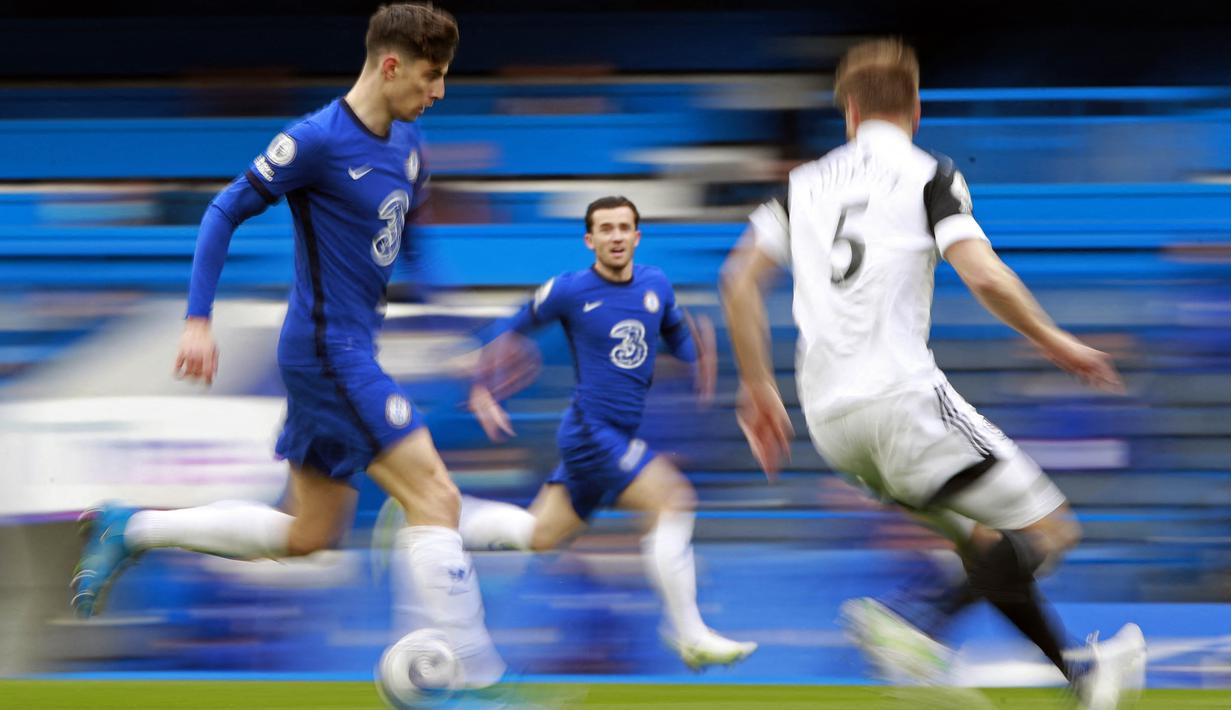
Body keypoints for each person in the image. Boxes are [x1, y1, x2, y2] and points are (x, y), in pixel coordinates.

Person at [71, 2, 507, 692]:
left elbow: (414, 249)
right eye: (432, 75)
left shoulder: (409, 145)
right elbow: (224, 210)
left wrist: (461, 334)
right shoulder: (316, 140)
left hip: (347, 353)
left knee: (309, 534)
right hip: (327, 354)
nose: (440, 91)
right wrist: (197, 319)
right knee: (436, 496)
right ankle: (475, 681)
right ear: (392, 66)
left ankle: (133, 528)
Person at [719, 38, 1145, 708]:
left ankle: (1079, 677)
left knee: (983, 546)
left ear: (848, 112)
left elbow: (738, 280)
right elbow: (983, 274)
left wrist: (756, 386)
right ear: (916, 109)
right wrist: (1055, 340)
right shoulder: (929, 175)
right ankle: (914, 626)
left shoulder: (800, 185)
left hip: (830, 422)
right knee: (1049, 531)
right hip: (902, 400)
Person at [461, 196, 757, 669]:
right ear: (590, 240)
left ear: (637, 237)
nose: (615, 236)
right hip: (590, 433)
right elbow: (509, 327)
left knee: (541, 535)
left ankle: (448, 517)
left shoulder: (656, 285)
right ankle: (688, 633)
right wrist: (483, 386)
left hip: (614, 433)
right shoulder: (568, 289)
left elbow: (674, 333)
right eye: (605, 228)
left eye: (623, 228)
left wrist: (696, 357)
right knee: (672, 499)